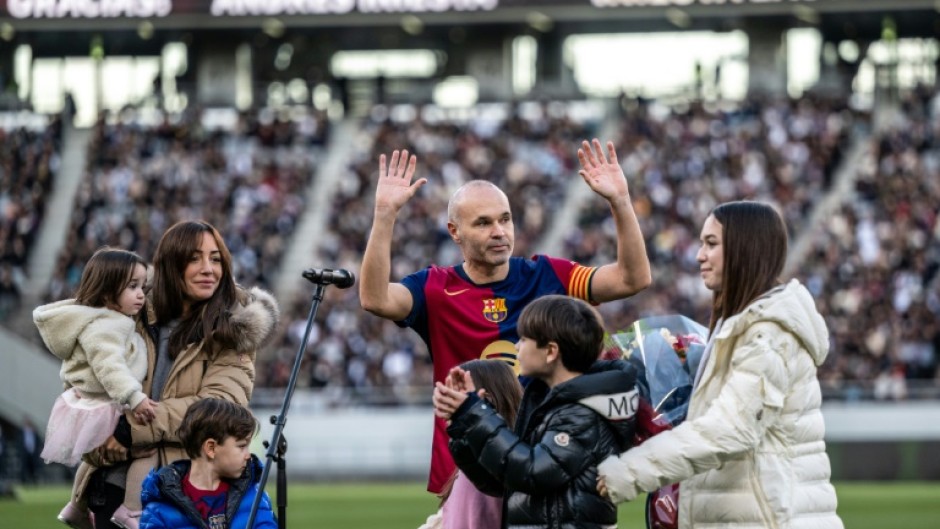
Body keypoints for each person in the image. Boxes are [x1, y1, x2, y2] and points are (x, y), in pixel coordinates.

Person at [360, 139, 652, 493]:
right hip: (465, 470)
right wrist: (384, 215)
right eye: (483, 223)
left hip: (543, 459)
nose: (499, 231)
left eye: (505, 219)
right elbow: (374, 298)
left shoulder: (547, 275)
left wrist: (620, 201)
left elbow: (631, 279)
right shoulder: (435, 288)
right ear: (455, 232)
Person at [596, 201, 845, 529]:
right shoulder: (745, 325)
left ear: (746, 249)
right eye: (701, 243)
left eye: (711, 244)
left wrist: (626, 472)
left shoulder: (768, 335)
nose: (699, 255)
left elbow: (728, 430)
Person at [69, 221, 279, 529]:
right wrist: (103, 439)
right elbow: (84, 388)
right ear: (169, 264)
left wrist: (129, 430)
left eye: (216, 258)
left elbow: (218, 408)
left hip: (181, 496)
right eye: (194, 258)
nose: (208, 268)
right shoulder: (128, 311)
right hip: (111, 484)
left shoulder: (236, 329)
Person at [433, 295, 640, 529]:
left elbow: (531, 472)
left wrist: (477, 415)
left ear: (550, 351)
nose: (516, 347)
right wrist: (464, 424)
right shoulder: (550, 404)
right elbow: (503, 483)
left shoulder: (580, 414)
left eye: (523, 339)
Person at [33, 248, 157, 527]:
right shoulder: (105, 326)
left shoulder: (108, 320)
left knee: (94, 461)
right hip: (104, 404)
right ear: (106, 291)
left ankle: (76, 506)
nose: (141, 294)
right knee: (146, 453)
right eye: (132, 287)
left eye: (143, 286)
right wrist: (135, 398)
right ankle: (130, 510)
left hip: (91, 403)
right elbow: (109, 367)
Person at [138, 398, 276, 529]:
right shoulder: (160, 507)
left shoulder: (254, 496)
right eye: (241, 446)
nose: (248, 455)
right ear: (211, 448)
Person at [418, 359, 522, 529]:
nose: (445, 409)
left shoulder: (491, 464)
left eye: (455, 398)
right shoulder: (491, 456)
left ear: (485, 401)